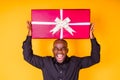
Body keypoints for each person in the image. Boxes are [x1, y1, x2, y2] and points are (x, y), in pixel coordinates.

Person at [22, 21, 100, 80]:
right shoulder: (45, 63)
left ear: (67, 50)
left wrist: (92, 37)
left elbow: (95, 59)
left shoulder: (75, 62)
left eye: (63, 48)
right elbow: (28, 56)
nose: (59, 51)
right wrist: (29, 35)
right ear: (53, 50)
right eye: (56, 49)